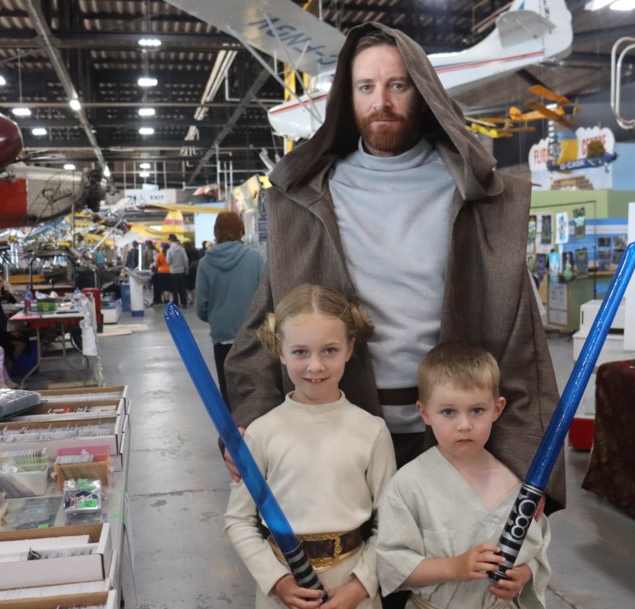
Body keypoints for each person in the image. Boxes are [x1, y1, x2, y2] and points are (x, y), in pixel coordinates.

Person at [224, 24, 562, 501]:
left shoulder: (475, 197)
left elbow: (520, 347)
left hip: (455, 436)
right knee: (348, 569)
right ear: (348, 97)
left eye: (397, 85)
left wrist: (529, 474)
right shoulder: (308, 201)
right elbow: (267, 327)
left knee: (451, 571)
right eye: (366, 87)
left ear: (422, 92)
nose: (380, 101)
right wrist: (248, 424)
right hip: (336, 435)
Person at [223, 284, 395, 609]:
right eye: (300, 351)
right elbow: (238, 520)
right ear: (280, 352)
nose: (315, 365)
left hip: (352, 593)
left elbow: (393, 525)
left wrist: (360, 587)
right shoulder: (262, 433)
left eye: (329, 350)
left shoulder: (371, 431)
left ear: (350, 348)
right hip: (285, 603)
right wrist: (278, 582)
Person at [377, 343, 550, 609]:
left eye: (477, 410)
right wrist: (454, 567)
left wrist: (521, 575)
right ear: (424, 412)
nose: (464, 425)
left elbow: (537, 549)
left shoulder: (517, 482)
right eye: (448, 412)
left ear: (497, 409)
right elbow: (392, 564)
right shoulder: (409, 484)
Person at [195, 212, 265, 409]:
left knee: (229, 394)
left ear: (216, 232)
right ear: (241, 230)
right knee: (258, 391)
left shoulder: (205, 264)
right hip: (253, 337)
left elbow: (201, 307)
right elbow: (266, 299)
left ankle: (232, 436)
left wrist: (219, 318)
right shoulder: (256, 259)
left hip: (222, 338)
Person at [165, 233, 189, 308]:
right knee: (183, 288)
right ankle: (184, 303)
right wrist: (186, 268)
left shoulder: (169, 250)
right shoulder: (182, 249)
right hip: (181, 271)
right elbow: (186, 260)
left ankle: (176, 303)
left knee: (174, 289)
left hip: (173, 272)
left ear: (170, 241)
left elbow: (168, 261)